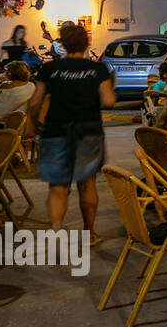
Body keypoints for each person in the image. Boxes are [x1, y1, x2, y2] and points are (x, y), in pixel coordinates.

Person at [27, 24, 115, 236]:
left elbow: (34, 102)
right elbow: (108, 101)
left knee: (58, 187)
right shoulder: (98, 69)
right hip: (88, 131)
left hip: (55, 131)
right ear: (87, 43)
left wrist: (32, 125)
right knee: (87, 183)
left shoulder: (49, 69)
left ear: (63, 44)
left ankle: (57, 230)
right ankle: (89, 233)